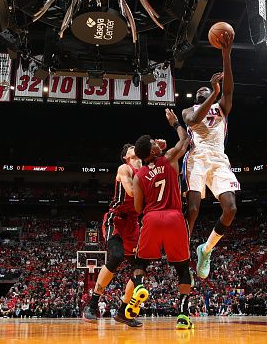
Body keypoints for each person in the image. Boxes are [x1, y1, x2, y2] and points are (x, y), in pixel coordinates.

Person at [127, 108, 211, 330]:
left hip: (152, 217)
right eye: (154, 142)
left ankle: (139, 286)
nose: (157, 142)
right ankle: (183, 315)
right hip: (174, 217)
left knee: (140, 263)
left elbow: (138, 207)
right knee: (183, 269)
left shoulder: (139, 175)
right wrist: (175, 124)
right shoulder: (169, 157)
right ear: (152, 150)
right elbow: (185, 141)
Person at [181, 32, 240, 279]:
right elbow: (194, 121)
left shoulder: (222, 107)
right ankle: (182, 254)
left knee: (231, 208)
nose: (206, 89)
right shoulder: (188, 110)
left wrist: (226, 53)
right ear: (198, 97)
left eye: (210, 89)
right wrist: (213, 93)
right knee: (193, 209)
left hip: (218, 159)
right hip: (196, 159)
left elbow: (228, 88)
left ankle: (206, 248)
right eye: (203, 90)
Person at [83, 144, 145, 328]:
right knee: (116, 256)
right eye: (132, 147)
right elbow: (132, 192)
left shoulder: (146, 170)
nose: (136, 147)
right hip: (116, 219)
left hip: (133, 224)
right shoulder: (124, 168)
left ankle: (123, 312)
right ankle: (92, 304)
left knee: (140, 268)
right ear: (126, 156)